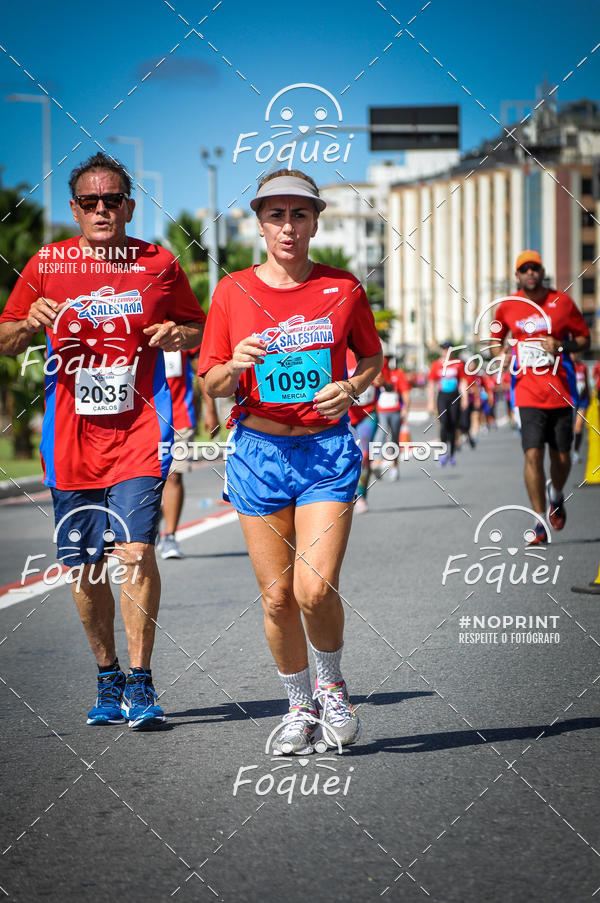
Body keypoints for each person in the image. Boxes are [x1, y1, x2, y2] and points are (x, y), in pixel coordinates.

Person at [0, 152, 206, 729]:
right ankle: (107, 673)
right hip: (72, 440)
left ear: (129, 206)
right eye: (89, 202)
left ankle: (141, 682)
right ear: (73, 210)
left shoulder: (157, 262)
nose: (100, 209)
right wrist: (27, 323)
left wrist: (176, 333)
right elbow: (5, 339)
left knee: (136, 551)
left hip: (140, 430)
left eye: (111, 200)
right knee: (86, 568)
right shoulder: (47, 263)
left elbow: (197, 325)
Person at [199, 169, 382, 755]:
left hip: (325, 449)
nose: (287, 225)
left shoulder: (343, 288)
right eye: (275, 214)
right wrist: (235, 365)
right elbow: (211, 380)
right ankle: (299, 707)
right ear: (259, 223)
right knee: (276, 597)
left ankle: (331, 688)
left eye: (298, 214)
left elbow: (373, 361)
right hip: (257, 451)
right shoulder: (232, 292)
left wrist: (351, 388)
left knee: (314, 587)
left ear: (315, 220)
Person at [490, 250, 590, 544]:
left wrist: (561, 345)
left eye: (535, 268)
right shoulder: (507, 306)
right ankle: (539, 522)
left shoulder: (562, 302)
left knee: (561, 457)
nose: (530, 272)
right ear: (517, 276)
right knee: (532, 454)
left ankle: (556, 494)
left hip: (561, 392)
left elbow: (585, 340)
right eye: (524, 269)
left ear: (542, 272)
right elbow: (495, 340)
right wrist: (502, 355)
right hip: (526, 392)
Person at [159, 349, 219, 559]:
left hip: (179, 418)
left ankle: (170, 537)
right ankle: (152, 518)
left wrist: (211, 410)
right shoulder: (135, 323)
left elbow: (202, 371)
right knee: (145, 479)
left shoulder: (181, 326)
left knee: (174, 474)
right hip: (140, 421)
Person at [427, 341, 468, 466]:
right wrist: (430, 401)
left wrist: (465, 398)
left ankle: (452, 453)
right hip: (442, 397)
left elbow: (463, 382)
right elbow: (431, 384)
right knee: (444, 423)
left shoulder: (458, 364)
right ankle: (443, 453)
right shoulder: (436, 365)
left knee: (453, 424)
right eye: (444, 349)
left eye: (448, 349)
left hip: (455, 397)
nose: (446, 352)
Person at [373, 356, 411, 480]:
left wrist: (406, 409)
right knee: (381, 434)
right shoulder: (378, 374)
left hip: (395, 411)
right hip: (381, 412)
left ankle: (395, 467)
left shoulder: (398, 374)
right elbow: (375, 385)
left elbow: (405, 392)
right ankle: (377, 463)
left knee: (394, 439)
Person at [572, 354, 590, 462]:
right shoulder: (566, 365)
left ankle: (576, 451)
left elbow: (586, 382)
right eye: (572, 353)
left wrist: (589, 396)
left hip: (583, 400)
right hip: (571, 399)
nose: (574, 355)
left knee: (578, 426)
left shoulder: (583, 366)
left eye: (576, 352)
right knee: (570, 427)